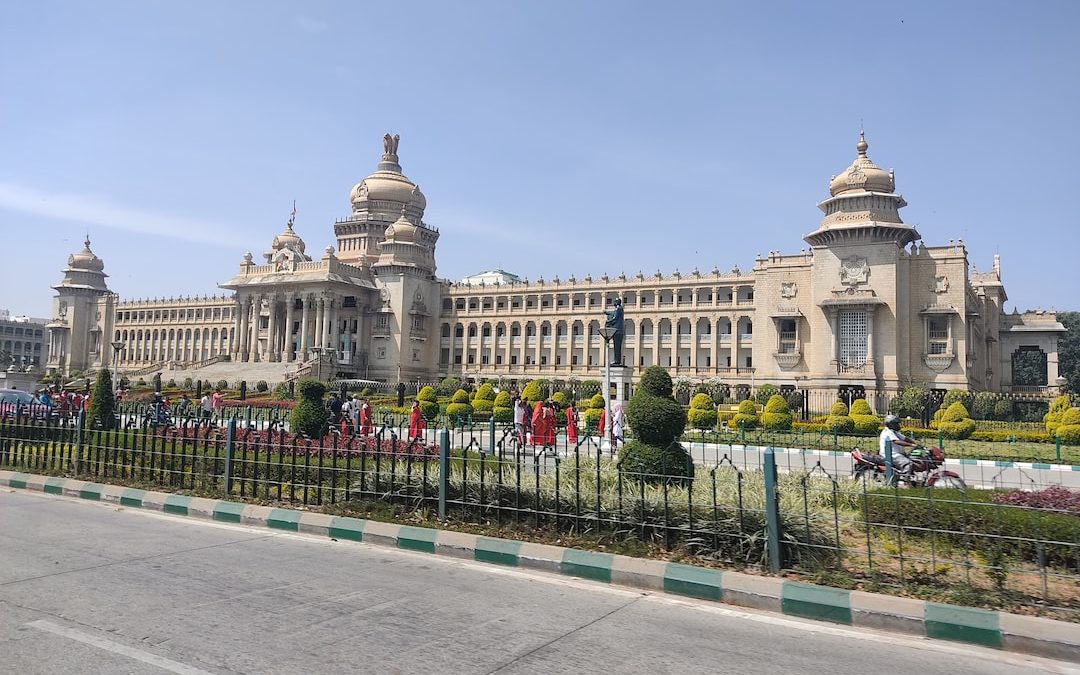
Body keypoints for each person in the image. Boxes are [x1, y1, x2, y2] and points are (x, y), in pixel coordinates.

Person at [880, 414, 917, 479]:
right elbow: (896, 441)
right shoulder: (887, 432)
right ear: (890, 424)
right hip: (891, 455)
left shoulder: (894, 432)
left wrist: (915, 443)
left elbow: (905, 438)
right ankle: (904, 480)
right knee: (908, 463)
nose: (898, 425)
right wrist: (911, 445)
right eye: (896, 424)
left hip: (897, 454)